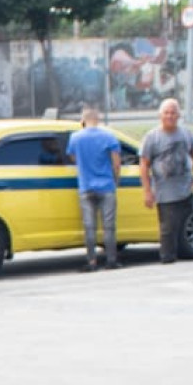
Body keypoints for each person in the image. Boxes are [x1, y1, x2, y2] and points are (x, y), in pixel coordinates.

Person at [139, 97, 193, 264]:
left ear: (179, 115)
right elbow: (144, 165)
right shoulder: (152, 137)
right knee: (168, 229)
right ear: (160, 115)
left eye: (173, 113)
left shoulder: (187, 134)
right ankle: (168, 259)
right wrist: (147, 190)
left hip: (188, 189)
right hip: (165, 193)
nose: (170, 116)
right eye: (166, 113)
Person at [65, 106, 123, 271]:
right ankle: (111, 260)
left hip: (86, 187)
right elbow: (117, 164)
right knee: (109, 226)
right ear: (98, 120)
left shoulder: (75, 138)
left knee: (89, 226)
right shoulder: (109, 137)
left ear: (82, 121)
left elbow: (72, 156)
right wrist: (115, 181)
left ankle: (91, 261)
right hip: (106, 186)